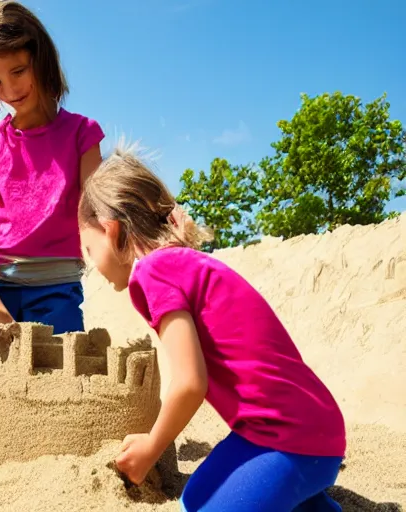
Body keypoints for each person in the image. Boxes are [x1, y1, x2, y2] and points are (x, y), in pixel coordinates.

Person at [77, 146, 347, 511]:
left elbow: (190, 383)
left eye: (89, 251)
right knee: (203, 494)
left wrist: (151, 447)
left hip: (285, 438)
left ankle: (298, 483)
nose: (91, 266)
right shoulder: (187, 264)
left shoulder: (151, 273)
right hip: (313, 429)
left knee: (199, 507)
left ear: (111, 232)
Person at [0, 0, 104, 334]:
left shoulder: (83, 134)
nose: (9, 90)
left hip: (58, 290)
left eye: (18, 71)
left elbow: (98, 215)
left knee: (59, 379)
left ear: (40, 58)